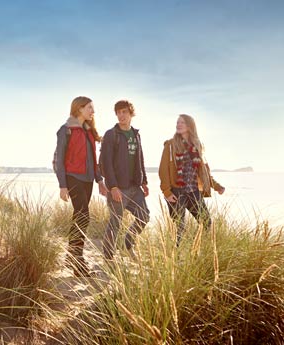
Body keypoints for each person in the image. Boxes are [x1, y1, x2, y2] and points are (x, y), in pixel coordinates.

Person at [55, 96, 107, 277]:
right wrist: (62, 185)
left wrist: (99, 180)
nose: (93, 111)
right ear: (79, 109)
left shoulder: (89, 132)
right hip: (72, 178)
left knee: (80, 215)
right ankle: (76, 257)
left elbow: (94, 161)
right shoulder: (66, 130)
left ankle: (73, 255)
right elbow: (58, 160)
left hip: (88, 180)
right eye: (90, 108)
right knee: (83, 214)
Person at [158, 114, 225, 245]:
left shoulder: (197, 146)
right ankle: (176, 257)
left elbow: (203, 172)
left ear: (190, 126)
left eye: (182, 122)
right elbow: (163, 170)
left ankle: (199, 250)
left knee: (206, 222)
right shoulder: (170, 145)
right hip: (176, 192)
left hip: (194, 191)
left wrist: (216, 186)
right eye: (177, 122)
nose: (178, 124)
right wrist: (166, 192)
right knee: (179, 228)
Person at [99, 100, 150, 260]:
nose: (121, 116)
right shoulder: (111, 134)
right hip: (119, 188)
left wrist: (144, 181)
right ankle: (108, 258)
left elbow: (139, 159)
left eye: (124, 112)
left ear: (131, 113)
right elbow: (105, 163)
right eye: (118, 112)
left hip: (135, 187)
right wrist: (112, 187)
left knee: (144, 216)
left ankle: (128, 242)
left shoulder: (136, 134)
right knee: (115, 223)